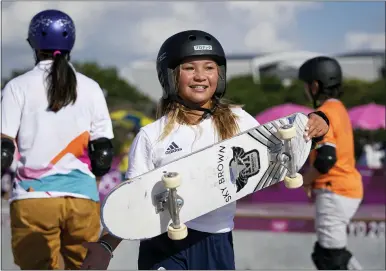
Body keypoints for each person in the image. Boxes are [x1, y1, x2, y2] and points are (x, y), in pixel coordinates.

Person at [80, 30, 329, 270]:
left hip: (216, 242)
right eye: (189, 68)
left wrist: (317, 124)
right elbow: (132, 202)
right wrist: (105, 246)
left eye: (209, 67)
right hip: (162, 243)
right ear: (171, 76)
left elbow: (279, 151)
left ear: (219, 75)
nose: (200, 76)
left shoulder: (239, 121)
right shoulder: (152, 135)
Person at [1, 9, 114, 270]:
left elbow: (4, 150)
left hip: (33, 199)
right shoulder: (91, 87)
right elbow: (103, 153)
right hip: (82, 199)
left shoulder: (17, 87)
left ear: (33, 43)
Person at [298, 56, 364, 270]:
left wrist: (306, 180)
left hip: (333, 190)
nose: (306, 91)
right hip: (347, 189)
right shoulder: (340, 109)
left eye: (307, 86)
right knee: (327, 253)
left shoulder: (322, 115)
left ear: (315, 85)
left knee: (330, 259)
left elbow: (326, 158)